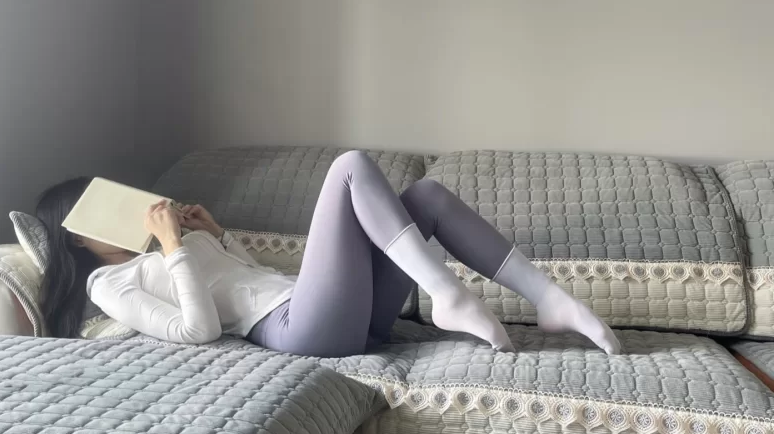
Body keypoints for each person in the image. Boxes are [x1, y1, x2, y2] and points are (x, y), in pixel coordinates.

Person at [38, 151, 620, 356]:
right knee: (349, 167)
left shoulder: (179, 248)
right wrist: (172, 248)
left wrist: (216, 236)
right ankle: (446, 293)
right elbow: (200, 331)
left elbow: (252, 281)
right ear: (77, 237)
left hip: (333, 316)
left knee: (425, 196)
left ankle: (548, 298)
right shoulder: (106, 286)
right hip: (301, 332)